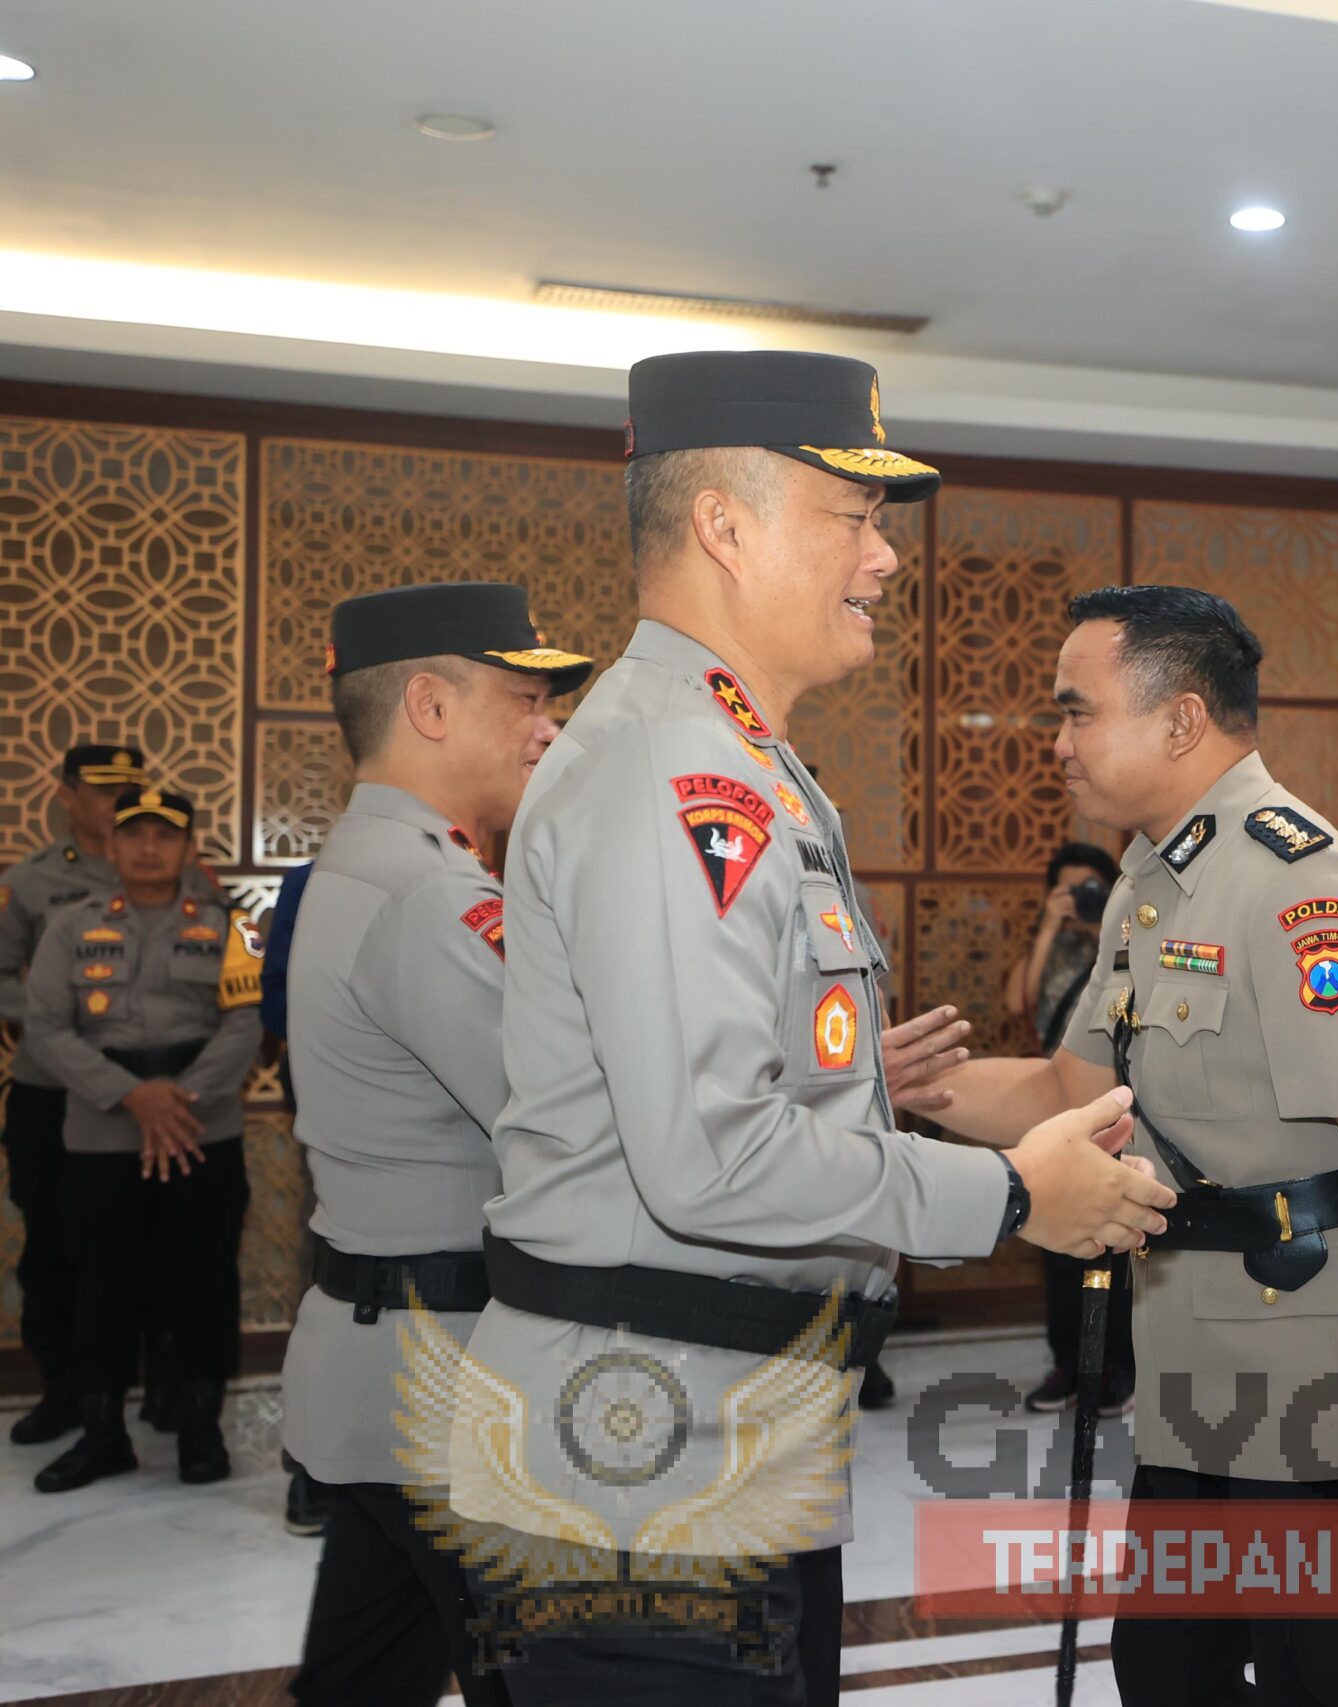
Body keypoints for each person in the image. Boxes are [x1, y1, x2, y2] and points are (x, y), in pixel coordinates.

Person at [450, 350, 1174, 1704]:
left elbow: (698, 1084)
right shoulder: (681, 770)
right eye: (851, 514)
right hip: (644, 1477)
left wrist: (850, 1092)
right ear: (724, 524)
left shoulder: (735, 756)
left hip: (707, 1445)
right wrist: (1019, 1190)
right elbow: (710, 1157)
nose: (885, 555)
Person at [922, 584, 1338, 1707]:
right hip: (1189, 1384)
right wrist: (878, 1088)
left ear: (1179, 722)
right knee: (1170, 1673)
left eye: (1078, 713)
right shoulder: (1150, 881)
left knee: (1333, 1682)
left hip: (1318, 1399)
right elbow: (1070, 1092)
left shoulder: (1295, 881)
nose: (1057, 743)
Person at [281, 583, 590, 1706]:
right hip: (445, 1394)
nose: (546, 726)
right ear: (428, 704)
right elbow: (568, 1122)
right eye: (522, 697)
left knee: (361, 1677)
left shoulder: (369, 865)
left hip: (383, 1373)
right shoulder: (426, 890)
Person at [22, 787, 263, 1492]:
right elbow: (46, 1029)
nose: (150, 847)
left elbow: (246, 1024)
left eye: (166, 835)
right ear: (115, 844)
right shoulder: (69, 925)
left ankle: (198, 1429)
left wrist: (173, 1101)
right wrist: (133, 1096)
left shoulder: (236, 925)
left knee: (203, 1278)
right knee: (100, 1283)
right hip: (103, 1127)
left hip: (200, 1126)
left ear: (190, 846)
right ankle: (103, 1435)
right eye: (135, 835)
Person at [2, 745, 222, 1449]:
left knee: (173, 1248)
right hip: (59, 1091)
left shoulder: (197, 883)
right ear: (67, 795)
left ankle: (170, 1395)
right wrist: (65, 1009)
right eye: (104, 792)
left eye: (129, 790)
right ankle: (71, 1394)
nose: (118, 805)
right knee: (64, 1247)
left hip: (177, 1099)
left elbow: (232, 998)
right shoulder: (37, 883)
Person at [1006, 839, 1137, 1417]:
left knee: (1117, 1243)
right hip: (1056, 1114)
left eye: (1092, 890)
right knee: (1059, 1242)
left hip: (1117, 1110)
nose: (1083, 900)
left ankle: (1116, 1369)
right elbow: (1019, 1002)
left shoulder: (1128, 948)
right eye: (1072, 890)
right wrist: (1048, 926)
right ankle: (1069, 1364)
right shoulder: (1053, 947)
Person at [254, 855, 329, 1537]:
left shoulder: (510, 858)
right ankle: (313, 1462)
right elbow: (275, 995)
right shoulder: (318, 877)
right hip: (348, 1110)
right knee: (329, 1279)